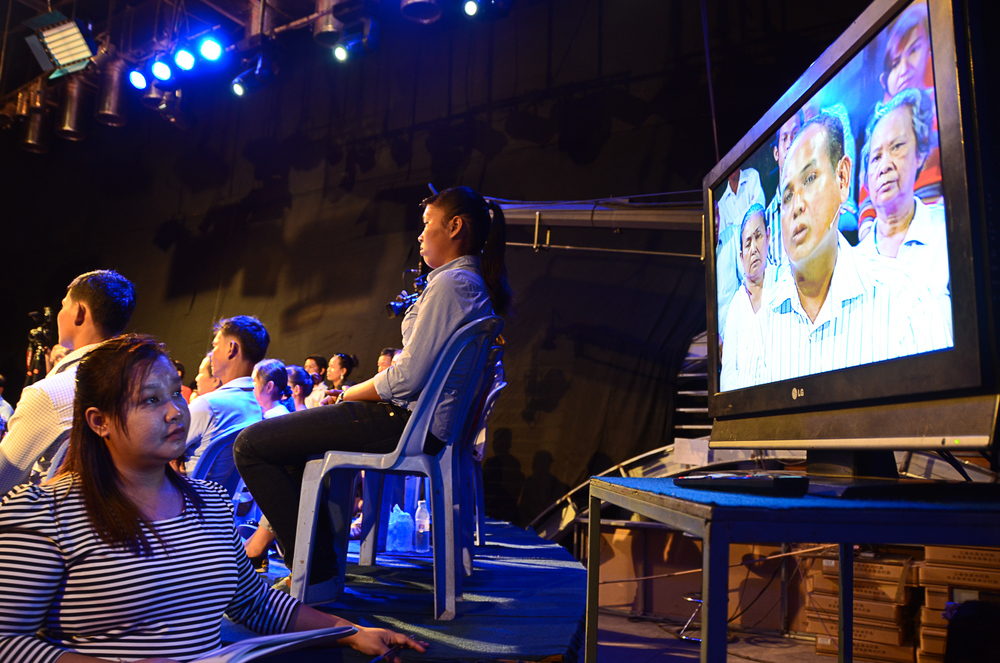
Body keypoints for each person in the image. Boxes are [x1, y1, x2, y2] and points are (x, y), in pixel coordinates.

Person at [0, 334, 426, 662]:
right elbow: (7, 642)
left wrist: (349, 630)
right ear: (99, 422)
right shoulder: (45, 511)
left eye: (175, 394)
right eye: (150, 400)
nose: (175, 411)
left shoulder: (208, 500)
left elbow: (254, 602)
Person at [234, 185, 511, 584]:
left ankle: (314, 569)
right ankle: (309, 561)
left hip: (406, 424)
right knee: (288, 444)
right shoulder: (464, 283)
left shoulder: (453, 285)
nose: (419, 235)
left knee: (251, 446)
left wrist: (347, 393)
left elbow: (406, 378)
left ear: (454, 227)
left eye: (427, 224)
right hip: (417, 422)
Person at [751, 113, 948, 384]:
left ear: (843, 178)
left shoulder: (905, 302)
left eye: (809, 179)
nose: (796, 205)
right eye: (786, 196)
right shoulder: (765, 325)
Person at [0, 270, 136, 496]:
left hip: (56, 521)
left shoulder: (50, 393)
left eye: (64, 306)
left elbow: (3, 481)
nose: (59, 314)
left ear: (79, 312)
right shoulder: (141, 382)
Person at [857, 88, 951, 340]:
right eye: (875, 157)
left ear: (920, 153)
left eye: (897, 147)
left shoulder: (950, 231)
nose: (884, 165)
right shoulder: (853, 264)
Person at [183, 316, 268, 483]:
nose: (211, 353)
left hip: (187, 499)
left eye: (215, 345)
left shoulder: (208, 405)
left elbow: (155, 449)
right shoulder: (256, 409)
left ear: (231, 348)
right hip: (222, 505)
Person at [720, 204, 776, 391]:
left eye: (758, 237)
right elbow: (727, 374)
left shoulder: (785, 285)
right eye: (747, 242)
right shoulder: (735, 306)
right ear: (741, 256)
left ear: (768, 237)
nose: (753, 249)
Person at [764, 111, 803, 268]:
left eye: (795, 134)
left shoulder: (819, 197)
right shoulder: (766, 220)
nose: (789, 144)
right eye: (784, 138)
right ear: (776, 153)